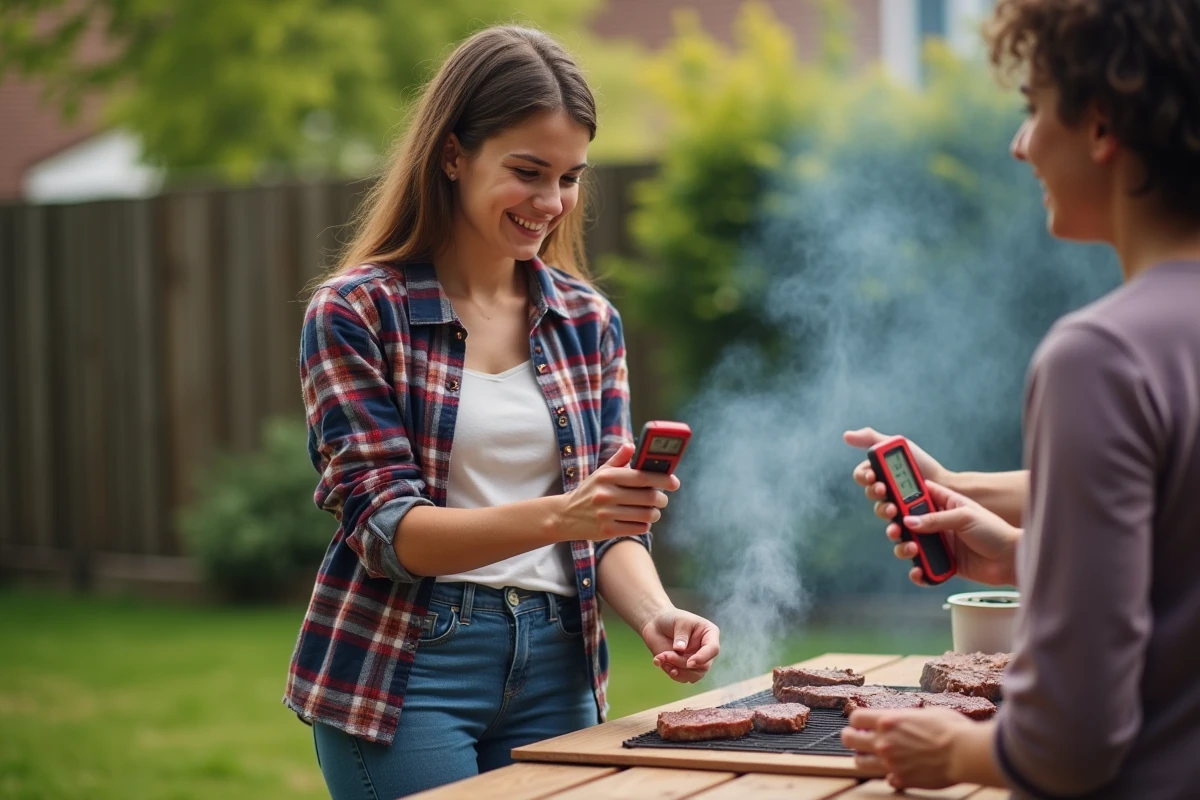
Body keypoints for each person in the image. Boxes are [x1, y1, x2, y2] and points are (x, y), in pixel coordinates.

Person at [284, 26, 720, 799]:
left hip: (560, 664)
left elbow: (611, 521)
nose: (550, 203)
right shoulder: (355, 312)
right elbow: (390, 534)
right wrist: (564, 515)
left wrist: (655, 613)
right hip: (405, 670)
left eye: (570, 177)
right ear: (454, 155)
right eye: (527, 171)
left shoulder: (588, 320)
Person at [840, 0, 1200, 797]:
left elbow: (1068, 741)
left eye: (1034, 109)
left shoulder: (1101, 357)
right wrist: (1019, 546)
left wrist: (952, 752)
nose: (1020, 143)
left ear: (1101, 122)